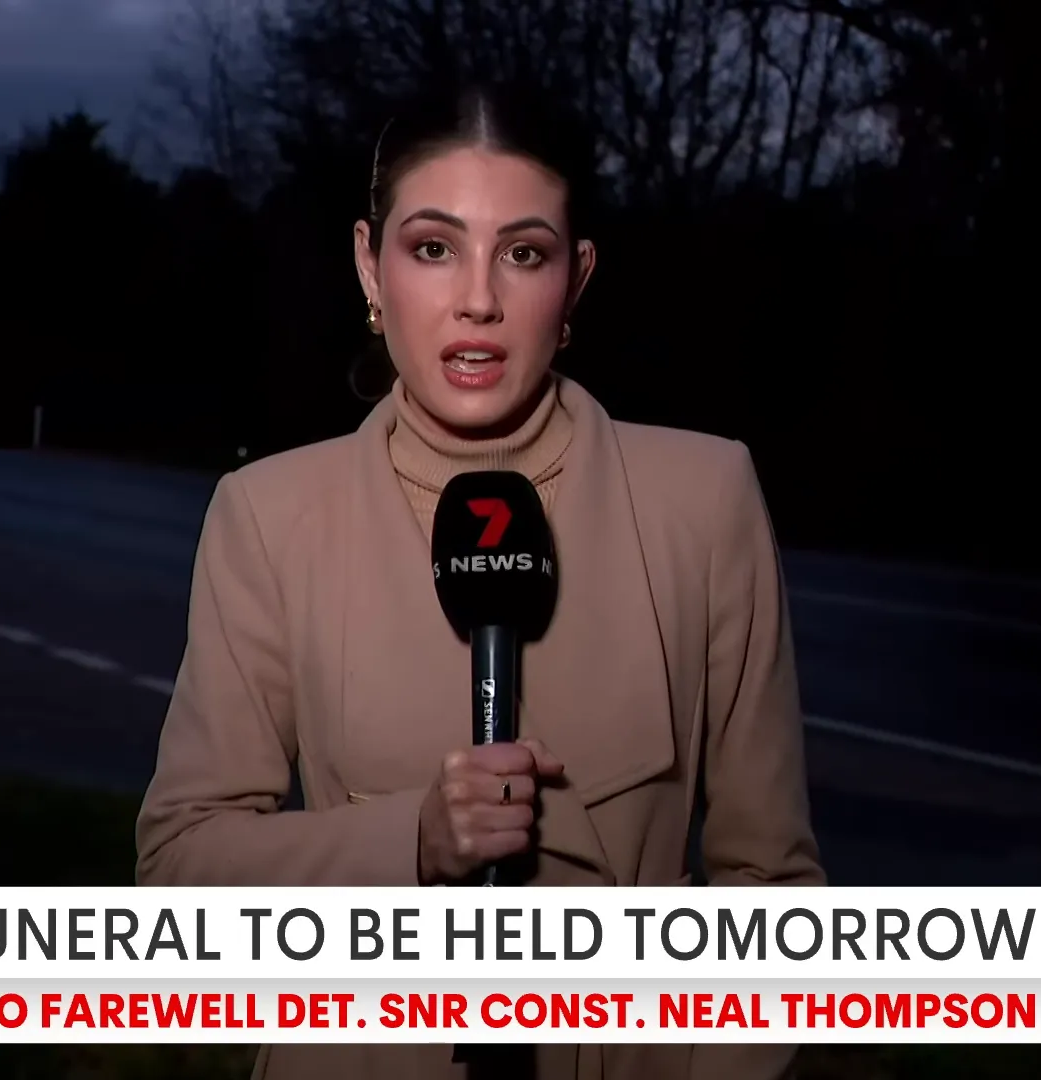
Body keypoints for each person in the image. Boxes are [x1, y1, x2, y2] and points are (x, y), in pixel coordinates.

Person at [135, 81, 824, 1079]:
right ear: (370, 266)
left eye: (525, 252)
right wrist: (406, 844)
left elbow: (776, 891)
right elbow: (177, 877)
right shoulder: (271, 516)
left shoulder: (704, 498)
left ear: (575, 280)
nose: (478, 299)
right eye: (432, 247)